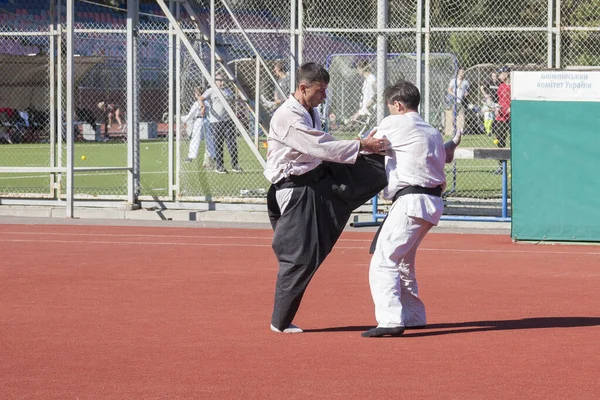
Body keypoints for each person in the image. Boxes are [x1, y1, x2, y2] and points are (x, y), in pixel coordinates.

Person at [265, 62, 389, 334]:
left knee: (372, 167)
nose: (324, 97)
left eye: (325, 91)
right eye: (320, 91)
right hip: (294, 189)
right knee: (301, 257)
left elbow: (324, 142)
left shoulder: (309, 111)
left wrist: (363, 148)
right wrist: (358, 146)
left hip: (317, 177)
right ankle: (280, 321)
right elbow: (317, 145)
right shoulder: (288, 116)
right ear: (302, 88)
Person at [362, 81, 462, 338]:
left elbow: (369, 145)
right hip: (431, 204)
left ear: (397, 104)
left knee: (384, 261)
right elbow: (444, 156)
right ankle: (414, 316)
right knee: (403, 261)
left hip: (410, 201)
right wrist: (451, 144)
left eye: (390, 107)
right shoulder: (431, 131)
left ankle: (389, 320)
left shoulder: (393, 123)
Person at [200, 74, 241, 173]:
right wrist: (203, 107)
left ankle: (235, 165)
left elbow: (232, 104)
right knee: (218, 144)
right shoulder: (211, 90)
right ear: (215, 81)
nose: (222, 82)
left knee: (232, 143)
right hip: (216, 122)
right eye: (220, 80)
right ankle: (219, 166)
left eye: (223, 80)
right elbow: (201, 98)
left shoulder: (228, 91)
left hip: (228, 121)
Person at [181, 86, 215, 167]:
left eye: (195, 93)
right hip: (207, 121)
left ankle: (191, 156)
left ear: (197, 94)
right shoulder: (208, 102)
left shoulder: (196, 103)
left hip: (199, 121)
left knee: (195, 138)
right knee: (209, 139)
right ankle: (213, 155)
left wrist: (183, 119)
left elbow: (191, 115)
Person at [493, 65, 511, 174]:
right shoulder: (500, 87)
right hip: (501, 117)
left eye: (500, 74)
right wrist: (496, 108)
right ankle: (501, 166)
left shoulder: (513, 87)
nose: (499, 76)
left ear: (506, 74)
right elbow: (498, 101)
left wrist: (511, 108)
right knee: (500, 141)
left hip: (511, 117)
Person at [350, 59, 377, 124]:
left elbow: (378, 93)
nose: (357, 70)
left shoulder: (371, 78)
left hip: (371, 109)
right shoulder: (366, 80)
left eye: (358, 68)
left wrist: (369, 104)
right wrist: (358, 112)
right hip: (366, 110)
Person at [445, 68, 469, 136]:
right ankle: (453, 130)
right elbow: (449, 90)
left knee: (462, 117)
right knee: (453, 117)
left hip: (461, 102)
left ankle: (460, 131)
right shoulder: (453, 81)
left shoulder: (466, 82)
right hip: (454, 101)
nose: (463, 73)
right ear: (458, 73)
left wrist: (466, 94)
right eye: (461, 72)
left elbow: (466, 91)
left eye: (463, 72)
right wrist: (454, 95)